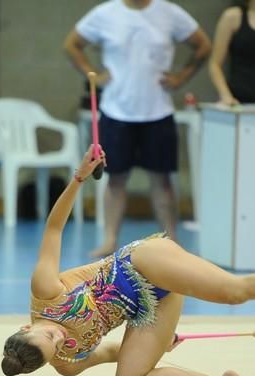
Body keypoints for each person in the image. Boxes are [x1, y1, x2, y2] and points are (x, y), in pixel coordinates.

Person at [1, 145, 255, 376]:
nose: (60, 335)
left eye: (49, 333)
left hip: (141, 263)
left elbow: (53, 229)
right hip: (148, 309)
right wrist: (157, 341)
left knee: (234, 291)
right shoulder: (67, 364)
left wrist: (79, 178)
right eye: (56, 344)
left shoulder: (46, 292)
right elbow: (113, 351)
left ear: (26, 326)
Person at [63, 0, 212, 257]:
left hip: (158, 110)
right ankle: (110, 240)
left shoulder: (170, 13)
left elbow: (203, 46)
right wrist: (93, 75)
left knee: (162, 181)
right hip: (116, 110)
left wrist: (180, 77)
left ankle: (171, 240)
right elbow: (71, 45)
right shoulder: (105, 13)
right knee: (115, 179)